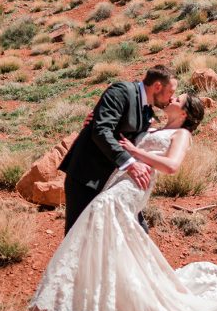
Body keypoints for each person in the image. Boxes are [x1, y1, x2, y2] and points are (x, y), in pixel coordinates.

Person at [28, 91, 217, 311]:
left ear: (185, 113)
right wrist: (94, 123)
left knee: (98, 216)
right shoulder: (150, 127)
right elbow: (112, 136)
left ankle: (68, 304)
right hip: (116, 182)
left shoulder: (182, 135)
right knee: (110, 240)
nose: (172, 99)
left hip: (134, 188)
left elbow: (171, 166)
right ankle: (104, 303)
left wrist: (134, 152)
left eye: (178, 100)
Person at [58, 65, 176, 234]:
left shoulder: (147, 109)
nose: (171, 98)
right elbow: (101, 131)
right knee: (79, 235)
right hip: (88, 178)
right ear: (157, 86)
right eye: (170, 92)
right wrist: (130, 164)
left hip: (114, 183)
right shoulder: (121, 92)